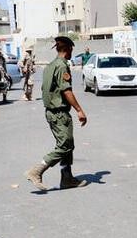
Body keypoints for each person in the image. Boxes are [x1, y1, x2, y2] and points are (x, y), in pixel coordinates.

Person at [24, 36, 89, 191]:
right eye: (72, 49)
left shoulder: (50, 66)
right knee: (65, 145)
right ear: (68, 49)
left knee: (68, 145)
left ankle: (67, 178)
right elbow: (66, 91)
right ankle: (37, 171)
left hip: (52, 112)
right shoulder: (61, 66)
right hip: (59, 113)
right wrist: (79, 110)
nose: (72, 51)